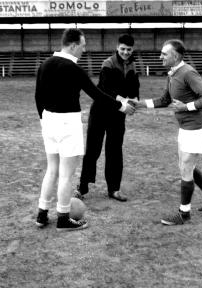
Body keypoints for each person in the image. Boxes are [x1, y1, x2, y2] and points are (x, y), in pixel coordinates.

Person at [35, 28, 135, 232]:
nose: (84, 49)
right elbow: (97, 94)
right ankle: (63, 218)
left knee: (51, 170)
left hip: (48, 121)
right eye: (82, 45)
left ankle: (42, 214)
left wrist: (43, 119)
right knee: (65, 175)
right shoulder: (73, 68)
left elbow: (38, 97)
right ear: (72, 45)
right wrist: (121, 106)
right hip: (67, 123)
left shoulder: (44, 64)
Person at [133, 39, 202, 225]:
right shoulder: (172, 74)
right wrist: (140, 104)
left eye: (164, 54)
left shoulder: (188, 72)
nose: (160, 57)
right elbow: (165, 100)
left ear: (176, 56)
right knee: (186, 165)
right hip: (185, 128)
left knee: (186, 168)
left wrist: (186, 107)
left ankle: (184, 213)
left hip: (196, 128)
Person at [75, 34, 140, 202]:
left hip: (118, 115)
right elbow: (103, 88)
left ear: (132, 49)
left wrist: (134, 98)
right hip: (101, 112)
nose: (125, 52)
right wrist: (122, 100)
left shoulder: (132, 65)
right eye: (123, 49)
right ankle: (82, 188)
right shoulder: (108, 63)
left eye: (129, 50)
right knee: (92, 151)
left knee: (115, 151)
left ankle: (114, 189)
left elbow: (134, 87)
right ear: (117, 48)